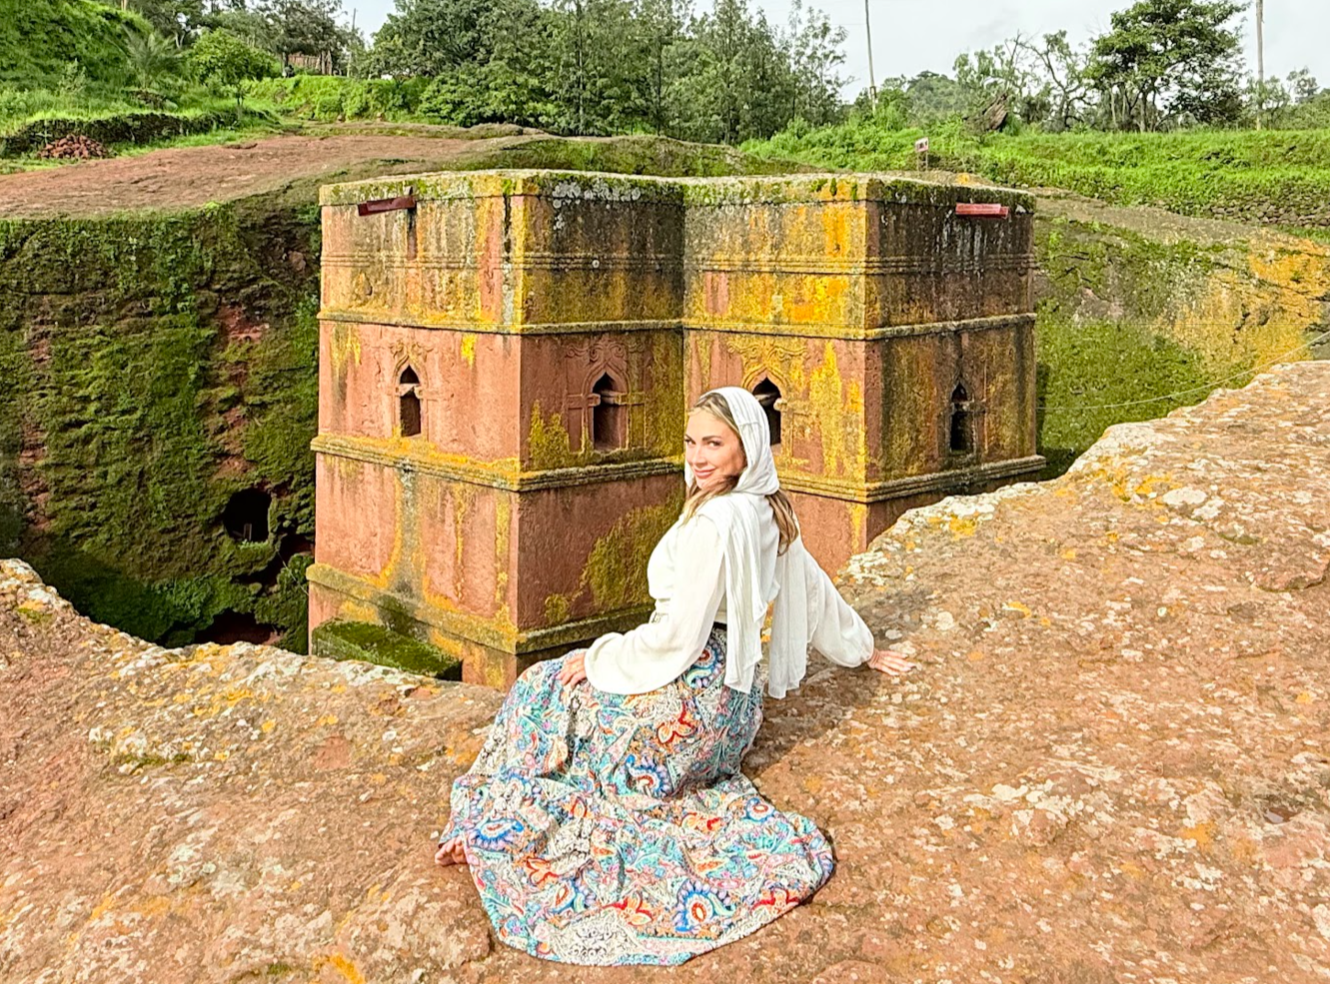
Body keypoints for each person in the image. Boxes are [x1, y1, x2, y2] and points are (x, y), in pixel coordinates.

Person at [433, 386, 916, 966]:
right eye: (692, 443)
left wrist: (599, 657)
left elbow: (675, 639)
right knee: (565, 700)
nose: (698, 456)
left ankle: (493, 829)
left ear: (748, 445)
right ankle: (502, 820)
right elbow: (813, 588)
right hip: (734, 707)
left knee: (544, 688)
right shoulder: (765, 505)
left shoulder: (717, 523)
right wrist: (863, 651)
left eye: (713, 443)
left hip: (688, 693)